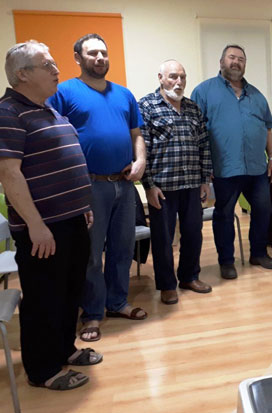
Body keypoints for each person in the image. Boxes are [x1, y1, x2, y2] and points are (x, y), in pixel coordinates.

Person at [0, 41, 101, 390]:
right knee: (44, 297)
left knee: (70, 291)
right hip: (43, 228)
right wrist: (35, 224)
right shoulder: (8, 112)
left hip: (71, 220)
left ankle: (64, 349)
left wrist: (82, 206)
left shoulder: (47, 110)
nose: (57, 70)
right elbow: (9, 173)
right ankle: (42, 370)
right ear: (22, 74)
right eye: (47, 65)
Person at [50, 33, 148, 342]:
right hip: (89, 186)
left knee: (122, 248)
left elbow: (136, 134)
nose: (100, 58)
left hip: (124, 185)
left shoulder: (124, 94)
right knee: (91, 254)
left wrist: (141, 161)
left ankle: (117, 302)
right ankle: (92, 312)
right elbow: (52, 136)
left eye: (103, 52)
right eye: (92, 53)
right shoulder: (64, 92)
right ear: (78, 58)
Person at [192, 44, 272, 280]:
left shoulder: (257, 96)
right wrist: (203, 166)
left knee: (263, 209)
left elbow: (267, 129)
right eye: (231, 57)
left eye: (241, 59)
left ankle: (258, 253)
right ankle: (226, 261)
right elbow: (195, 132)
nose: (236, 62)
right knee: (224, 214)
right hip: (224, 168)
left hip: (256, 167)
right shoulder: (204, 92)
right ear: (221, 62)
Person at [139, 60, 213, 305]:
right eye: (173, 76)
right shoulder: (146, 106)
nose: (179, 82)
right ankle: (167, 285)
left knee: (193, 234)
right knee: (163, 239)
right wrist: (149, 185)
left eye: (183, 77)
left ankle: (189, 277)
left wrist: (205, 179)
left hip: (191, 183)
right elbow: (141, 148)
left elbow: (203, 144)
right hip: (162, 187)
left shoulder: (192, 108)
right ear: (160, 77)